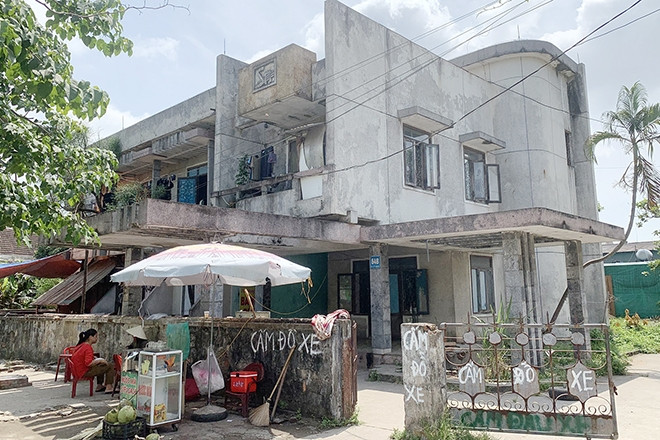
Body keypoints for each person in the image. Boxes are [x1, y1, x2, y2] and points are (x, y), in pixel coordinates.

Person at [70, 328, 115, 393]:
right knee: (110, 365)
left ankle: (99, 385)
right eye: (96, 336)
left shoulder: (80, 345)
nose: (97, 338)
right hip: (84, 371)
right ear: (90, 337)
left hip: (78, 370)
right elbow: (88, 363)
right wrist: (99, 360)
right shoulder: (87, 347)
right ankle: (109, 386)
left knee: (101, 365)